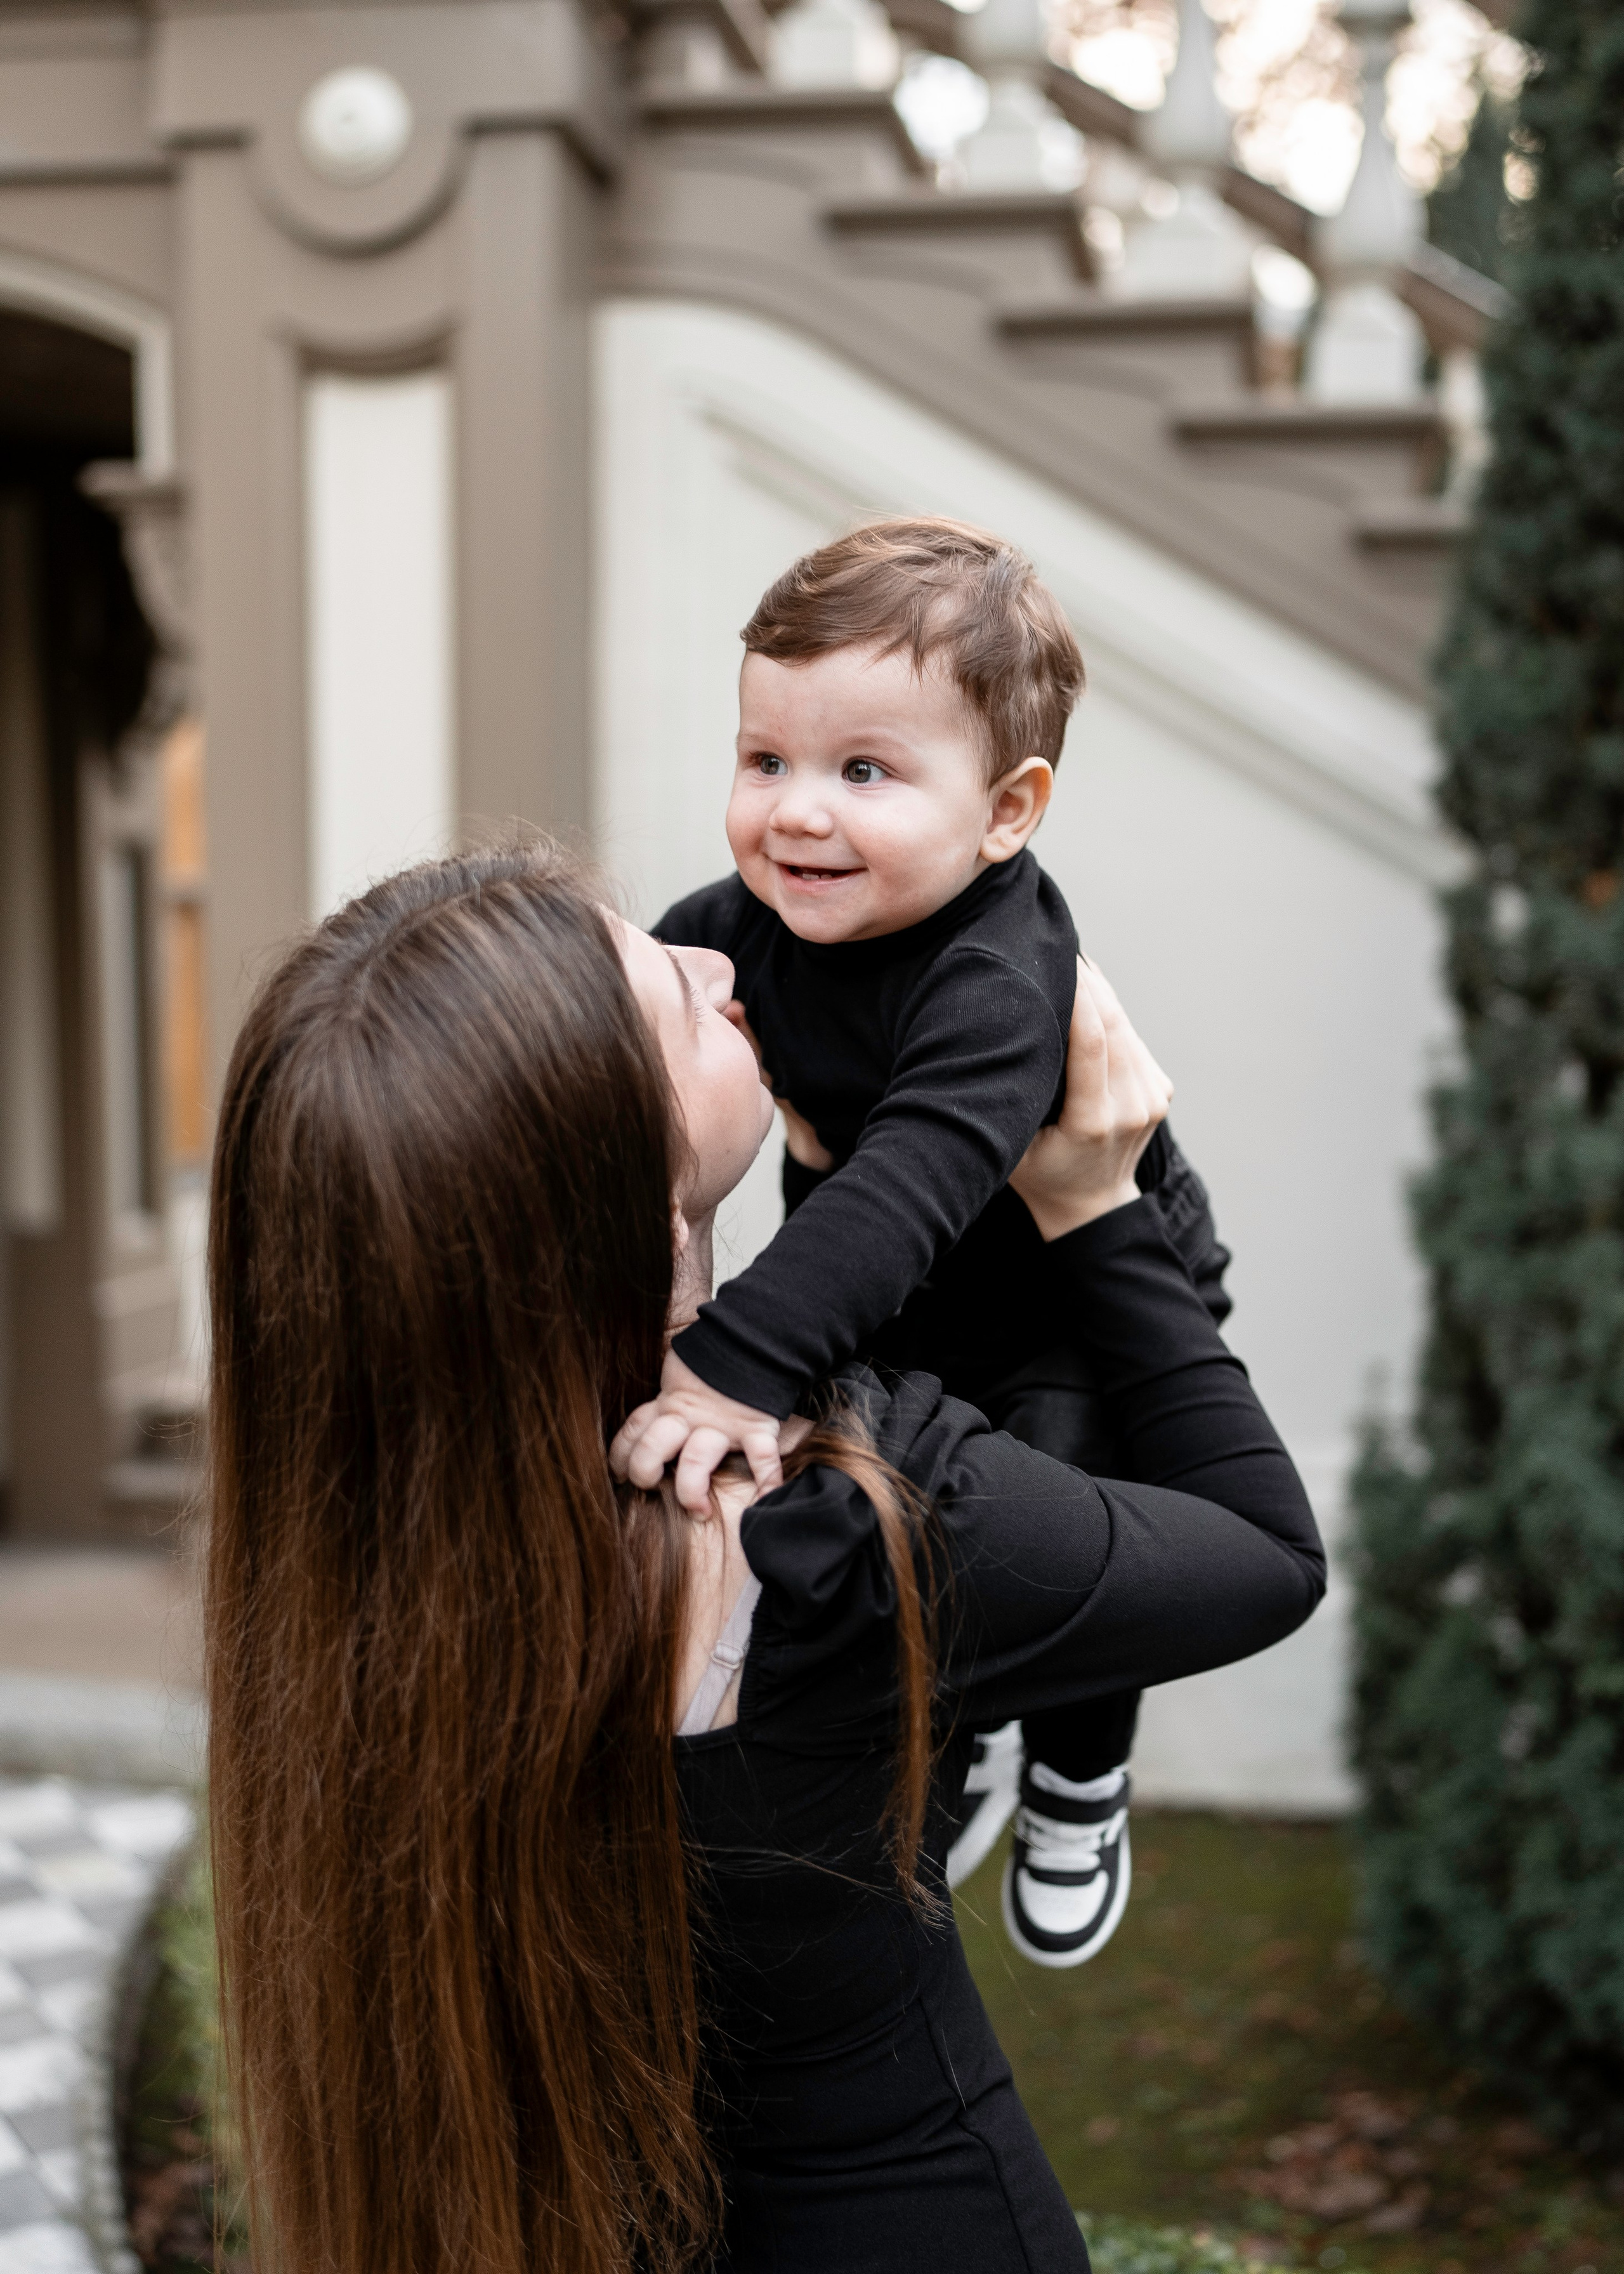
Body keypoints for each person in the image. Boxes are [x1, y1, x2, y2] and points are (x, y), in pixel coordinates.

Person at [206, 841, 1322, 2274]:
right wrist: (1095, 1207)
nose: (725, 962)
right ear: (623, 1196)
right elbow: (1262, 1551)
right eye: (677, 997)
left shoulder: (341, 1562)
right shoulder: (838, 1527)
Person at [638, 516, 1231, 1968]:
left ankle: (1082, 1775)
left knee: (1082, 1517)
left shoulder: (998, 974)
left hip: (1076, 1307)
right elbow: (644, 1053)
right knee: (912, 1543)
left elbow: (909, 1179)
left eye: (862, 772)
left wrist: (727, 1366)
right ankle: (944, 1748)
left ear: (1006, 810)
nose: (795, 813)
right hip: (908, 1315)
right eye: (763, 760)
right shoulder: (736, 927)